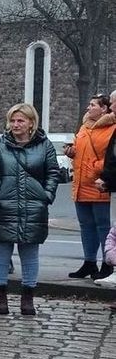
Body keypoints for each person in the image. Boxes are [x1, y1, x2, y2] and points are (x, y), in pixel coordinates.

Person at [0, 102, 59, 316]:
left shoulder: (45, 146)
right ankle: (0, 297)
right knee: (1, 255)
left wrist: (46, 196)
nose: (15, 124)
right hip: (3, 206)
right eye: (13, 120)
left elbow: (53, 173)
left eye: (20, 120)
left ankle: (27, 298)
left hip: (33, 207)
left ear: (31, 123)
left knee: (30, 255)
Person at [66, 95, 115, 279]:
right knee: (86, 225)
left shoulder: (112, 128)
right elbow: (81, 151)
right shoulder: (84, 127)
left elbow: (111, 157)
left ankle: (107, 263)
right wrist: (72, 152)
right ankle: (89, 262)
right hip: (81, 183)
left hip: (98, 183)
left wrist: (95, 168)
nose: (88, 108)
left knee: (102, 226)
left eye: (93, 105)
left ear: (104, 109)